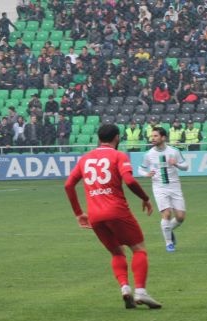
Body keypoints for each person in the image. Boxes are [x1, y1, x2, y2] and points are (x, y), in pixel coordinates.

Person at [64, 124, 162, 309]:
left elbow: (68, 185)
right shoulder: (118, 156)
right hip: (117, 211)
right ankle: (140, 291)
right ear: (117, 137)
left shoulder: (85, 159)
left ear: (99, 138)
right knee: (139, 249)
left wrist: (78, 213)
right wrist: (145, 198)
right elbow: (130, 180)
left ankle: (125, 288)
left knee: (117, 252)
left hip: (95, 215)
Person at [138, 127, 189, 253]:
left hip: (175, 187)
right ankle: (169, 243)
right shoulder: (149, 154)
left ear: (163, 138)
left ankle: (168, 229)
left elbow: (186, 166)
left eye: (155, 136)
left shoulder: (174, 151)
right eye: (152, 136)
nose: (152, 138)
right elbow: (140, 169)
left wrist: (176, 164)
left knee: (181, 217)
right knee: (166, 213)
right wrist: (146, 174)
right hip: (159, 187)